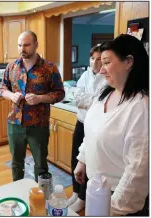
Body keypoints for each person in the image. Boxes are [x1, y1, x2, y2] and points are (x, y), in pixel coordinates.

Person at [74, 34, 149, 216]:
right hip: (97, 187)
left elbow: (138, 169)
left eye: (106, 62)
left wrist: (112, 208)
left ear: (128, 62)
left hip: (117, 198)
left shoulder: (140, 107)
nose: (101, 70)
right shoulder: (105, 94)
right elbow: (91, 131)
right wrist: (82, 159)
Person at [0, 30, 65, 182]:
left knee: (41, 165)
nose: (22, 49)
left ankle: (41, 196)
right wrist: (11, 95)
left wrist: (40, 98)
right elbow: (3, 88)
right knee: (16, 163)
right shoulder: (11, 67)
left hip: (39, 125)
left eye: (26, 45)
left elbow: (60, 93)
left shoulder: (50, 68)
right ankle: (19, 193)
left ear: (36, 45)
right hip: (15, 123)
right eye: (19, 45)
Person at [68, 45, 106, 212]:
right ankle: (76, 192)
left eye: (99, 59)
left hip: (96, 127)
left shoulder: (107, 78)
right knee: (75, 158)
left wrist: (89, 100)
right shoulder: (84, 75)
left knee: (89, 162)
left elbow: (100, 104)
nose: (95, 62)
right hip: (81, 122)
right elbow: (77, 98)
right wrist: (92, 100)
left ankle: (83, 198)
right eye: (92, 58)